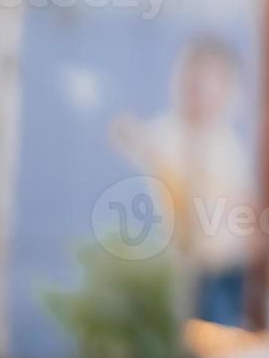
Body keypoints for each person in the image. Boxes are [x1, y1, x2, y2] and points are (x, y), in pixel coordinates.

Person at [110, 35, 257, 327]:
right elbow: (136, 140)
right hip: (183, 264)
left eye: (207, 84)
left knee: (219, 336)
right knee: (185, 334)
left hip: (224, 263)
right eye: (189, 82)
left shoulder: (223, 143)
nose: (196, 91)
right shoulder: (169, 133)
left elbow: (243, 200)